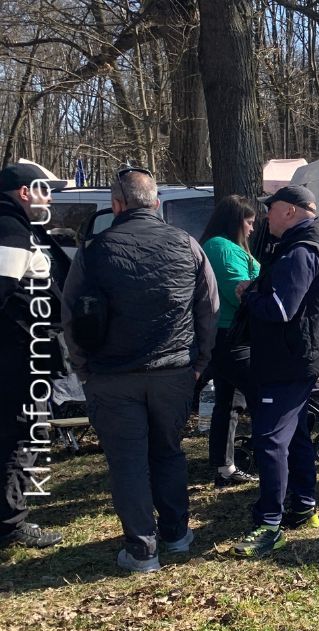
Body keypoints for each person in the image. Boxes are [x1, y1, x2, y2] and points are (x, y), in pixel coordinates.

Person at [62, 167, 218, 572]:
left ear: (116, 205)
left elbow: (71, 316)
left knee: (128, 461)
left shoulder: (94, 251)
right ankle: (176, 534)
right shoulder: (187, 245)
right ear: (157, 204)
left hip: (111, 376)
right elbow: (208, 310)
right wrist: (199, 363)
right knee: (167, 452)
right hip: (173, 373)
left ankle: (141, 550)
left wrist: (84, 369)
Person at [231, 185, 319, 557]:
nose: (265, 216)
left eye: (270, 208)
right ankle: (304, 505)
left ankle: (270, 524)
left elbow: (280, 309)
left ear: (290, 211)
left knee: (270, 438)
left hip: (287, 360)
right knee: (294, 436)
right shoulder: (302, 247)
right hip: (299, 357)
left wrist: (249, 295)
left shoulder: (301, 251)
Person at [0, 163, 70, 550]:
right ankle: (11, 524)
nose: (50, 197)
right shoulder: (10, 232)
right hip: (17, 359)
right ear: (24, 192)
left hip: (23, 354)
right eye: (45, 189)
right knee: (23, 433)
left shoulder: (17, 229)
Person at [199, 196, 260, 488]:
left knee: (229, 402)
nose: (252, 229)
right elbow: (240, 292)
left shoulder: (218, 246)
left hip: (224, 336)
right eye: (249, 222)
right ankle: (269, 458)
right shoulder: (222, 249)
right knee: (261, 395)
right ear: (237, 221)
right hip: (231, 337)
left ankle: (225, 468)